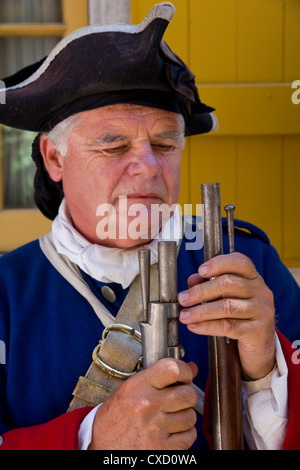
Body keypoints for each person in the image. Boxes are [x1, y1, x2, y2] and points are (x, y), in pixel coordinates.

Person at [0, 3, 300, 450]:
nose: (147, 168)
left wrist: (264, 369)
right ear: (55, 158)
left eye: (164, 143)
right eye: (114, 144)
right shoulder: (7, 291)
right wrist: (92, 436)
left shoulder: (248, 261)